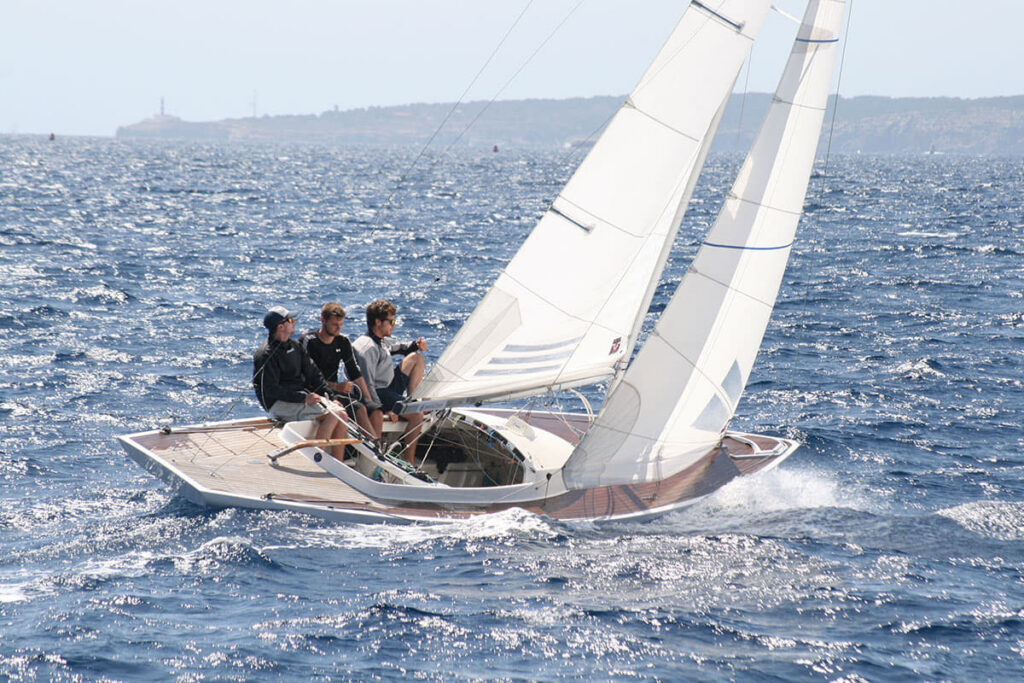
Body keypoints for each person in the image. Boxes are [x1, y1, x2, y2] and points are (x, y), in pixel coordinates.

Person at [252, 305, 351, 460]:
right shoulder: (265, 354)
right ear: (281, 326)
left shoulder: (295, 346)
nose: (294, 322)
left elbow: (314, 374)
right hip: (279, 403)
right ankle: (318, 461)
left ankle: (338, 463)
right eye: (291, 320)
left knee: (342, 414)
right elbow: (271, 390)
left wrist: (331, 398)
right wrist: (303, 398)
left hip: (300, 398)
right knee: (334, 415)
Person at [353, 300, 427, 464]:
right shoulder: (368, 347)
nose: (394, 325)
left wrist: (415, 345)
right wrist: (385, 408)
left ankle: (410, 401)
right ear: (378, 322)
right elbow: (367, 384)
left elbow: (399, 348)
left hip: (388, 386)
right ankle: (409, 462)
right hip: (378, 393)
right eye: (391, 321)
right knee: (417, 415)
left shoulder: (381, 340)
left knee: (416, 358)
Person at [299, 302, 381, 440]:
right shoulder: (309, 341)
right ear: (323, 320)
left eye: (341, 325)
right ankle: (375, 446)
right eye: (335, 325)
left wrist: (368, 400)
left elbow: (355, 373)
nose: (338, 328)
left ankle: (374, 452)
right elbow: (305, 378)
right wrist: (336, 386)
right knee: (359, 409)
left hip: (335, 391)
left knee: (375, 411)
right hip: (316, 393)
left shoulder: (343, 341)